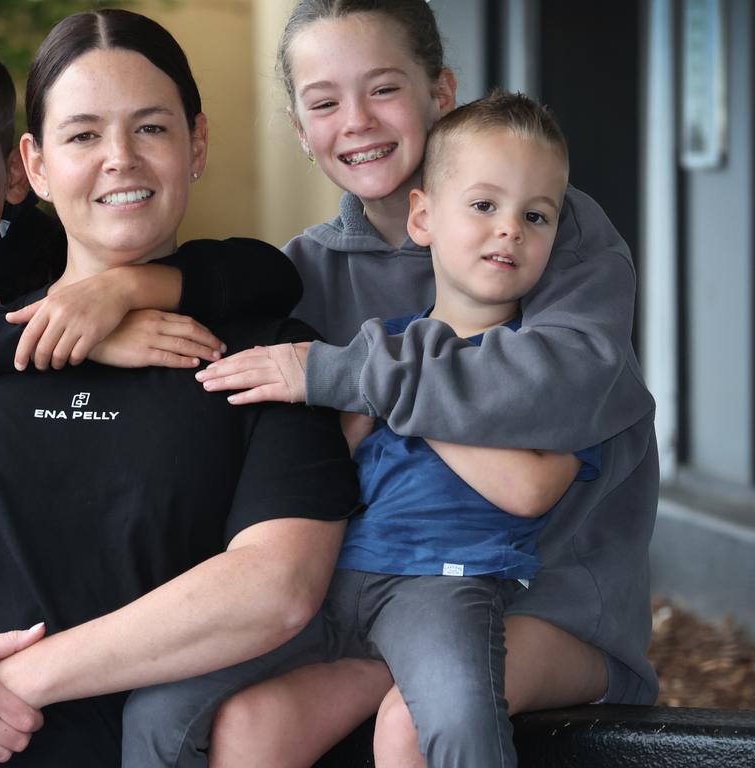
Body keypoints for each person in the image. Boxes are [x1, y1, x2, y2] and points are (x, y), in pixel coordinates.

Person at [0, 9, 360, 768]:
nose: (119, 159)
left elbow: (277, 586)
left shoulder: (269, 354)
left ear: (196, 144)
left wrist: (2, 688)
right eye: (84, 134)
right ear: (35, 164)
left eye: (151, 129)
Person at [176, 0, 659, 765]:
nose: (358, 121)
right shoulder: (307, 271)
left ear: (441, 94)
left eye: (384, 88)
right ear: (302, 133)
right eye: (325, 102)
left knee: (420, 717)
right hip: (377, 584)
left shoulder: (547, 231)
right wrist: (108, 296)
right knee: (237, 724)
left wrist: (354, 375)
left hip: (551, 593)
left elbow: (552, 398)